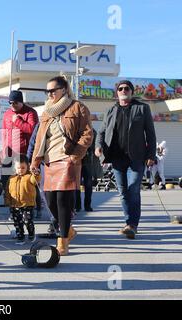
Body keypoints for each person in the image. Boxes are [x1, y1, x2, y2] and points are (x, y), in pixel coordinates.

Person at [31, 76, 93, 256]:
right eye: (47, 91)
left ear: (64, 89)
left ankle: (63, 241)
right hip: (49, 162)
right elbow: (39, 140)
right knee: (50, 201)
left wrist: (76, 155)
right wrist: (35, 161)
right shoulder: (46, 112)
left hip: (68, 159)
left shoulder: (77, 107)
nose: (50, 94)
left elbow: (87, 134)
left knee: (62, 201)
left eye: (53, 90)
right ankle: (69, 229)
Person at [95, 80, 156, 239]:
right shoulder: (111, 110)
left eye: (126, 88)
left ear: (131, 91)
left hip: (136, 158)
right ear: (117, 92)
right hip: (117, 158)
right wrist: (98, 147)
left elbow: (150, 133)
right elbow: (101, 132)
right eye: (120, 89)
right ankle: (128, 223)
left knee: (133, 188)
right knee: (123, 192)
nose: (123, 91)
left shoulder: (142, 108)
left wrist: (151, 155)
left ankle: (132, 224)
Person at [1, 90, 38, 189]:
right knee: (7, 180)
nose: (13, 105)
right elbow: (4, 133)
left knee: (26, 181)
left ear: (21, 101)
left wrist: (17, 121)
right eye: (10, 103)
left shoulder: (30, 112)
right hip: (9, 153)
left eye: (15, 103)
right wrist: (3, 151)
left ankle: (33, 203)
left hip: (24, 153)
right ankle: (9, 200)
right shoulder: (7, 114)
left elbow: (33, 130)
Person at [5, 154, 40, 245]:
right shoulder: (11, 178)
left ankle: (31, 233)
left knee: (27, 220)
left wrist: (35, 173)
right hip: (14, 204)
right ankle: (20, 236)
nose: (20, 170)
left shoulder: (29, 177)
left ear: (27, 167)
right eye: (18, 168)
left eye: (23, 168)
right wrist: (7, 200)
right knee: (17, 222)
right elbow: (7, 190)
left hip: (27, 204)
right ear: (14, 168)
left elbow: (35, 180)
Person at [75, 128, 97, 212]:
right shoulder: (76, 129)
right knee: (77, 184)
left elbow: (94, 146)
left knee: (88, 184)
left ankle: (87, 205)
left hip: (87, 160)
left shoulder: (91, 130)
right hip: (78, 159)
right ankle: (78, 205)